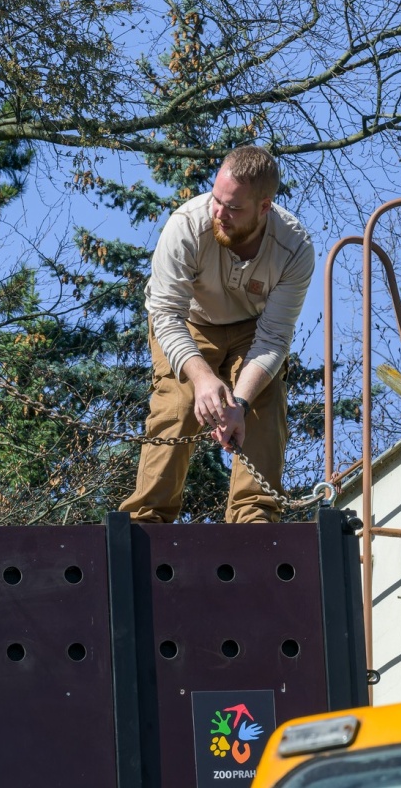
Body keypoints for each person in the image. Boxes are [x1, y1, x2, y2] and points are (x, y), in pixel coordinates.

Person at [119, 146, 315, 523]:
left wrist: (238, 403)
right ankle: (147, 522)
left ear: (264, 207)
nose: (219, 213)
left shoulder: (294, 248)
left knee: (263, 399)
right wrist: (203, 377)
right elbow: (165, 313)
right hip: (186, 322)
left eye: (234, 208)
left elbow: (274, 338)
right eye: (216, 199)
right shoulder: (186, 225)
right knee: (179, 401)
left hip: (253, 332)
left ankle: (254, 521)